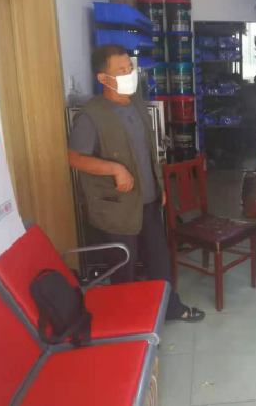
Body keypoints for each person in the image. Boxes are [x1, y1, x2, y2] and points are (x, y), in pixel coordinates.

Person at [68, 44, 204, 322]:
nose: (129, 74)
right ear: (103, 78)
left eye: (130, 68)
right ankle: (127, 321)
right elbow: (75, 158)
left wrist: (159, 186)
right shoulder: (92, 115)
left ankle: (170, 307)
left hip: (149, 200)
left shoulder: (137, 103)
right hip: (117, 207)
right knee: (124, 266)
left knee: (159, 259)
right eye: (121, 70)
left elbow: (148, 152)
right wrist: (114, 168)